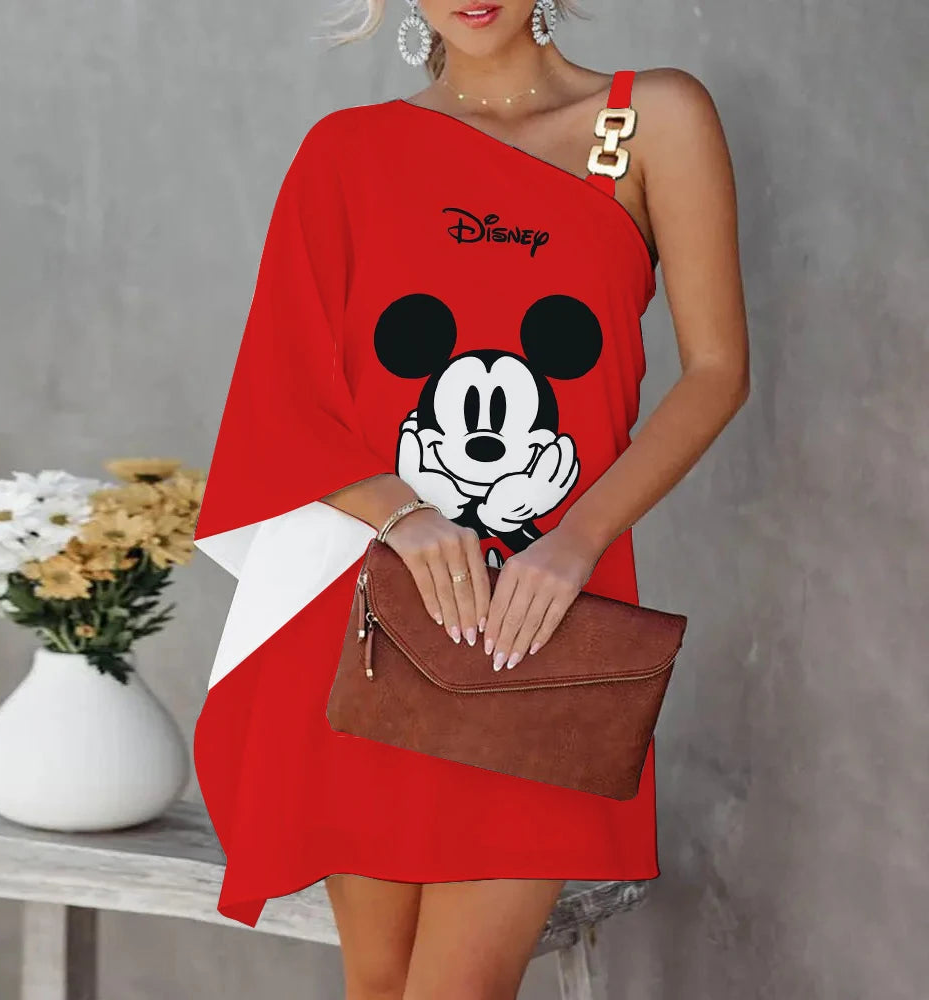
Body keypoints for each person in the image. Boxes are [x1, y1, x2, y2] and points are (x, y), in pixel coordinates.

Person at [191, 1, 749, 996]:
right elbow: (280, 393)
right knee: (378, 983)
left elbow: (716, 372)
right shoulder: (348, 152)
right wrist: (402, 516)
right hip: (375, 622)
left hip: (542, 629)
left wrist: (577, 540)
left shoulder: (648, 119)